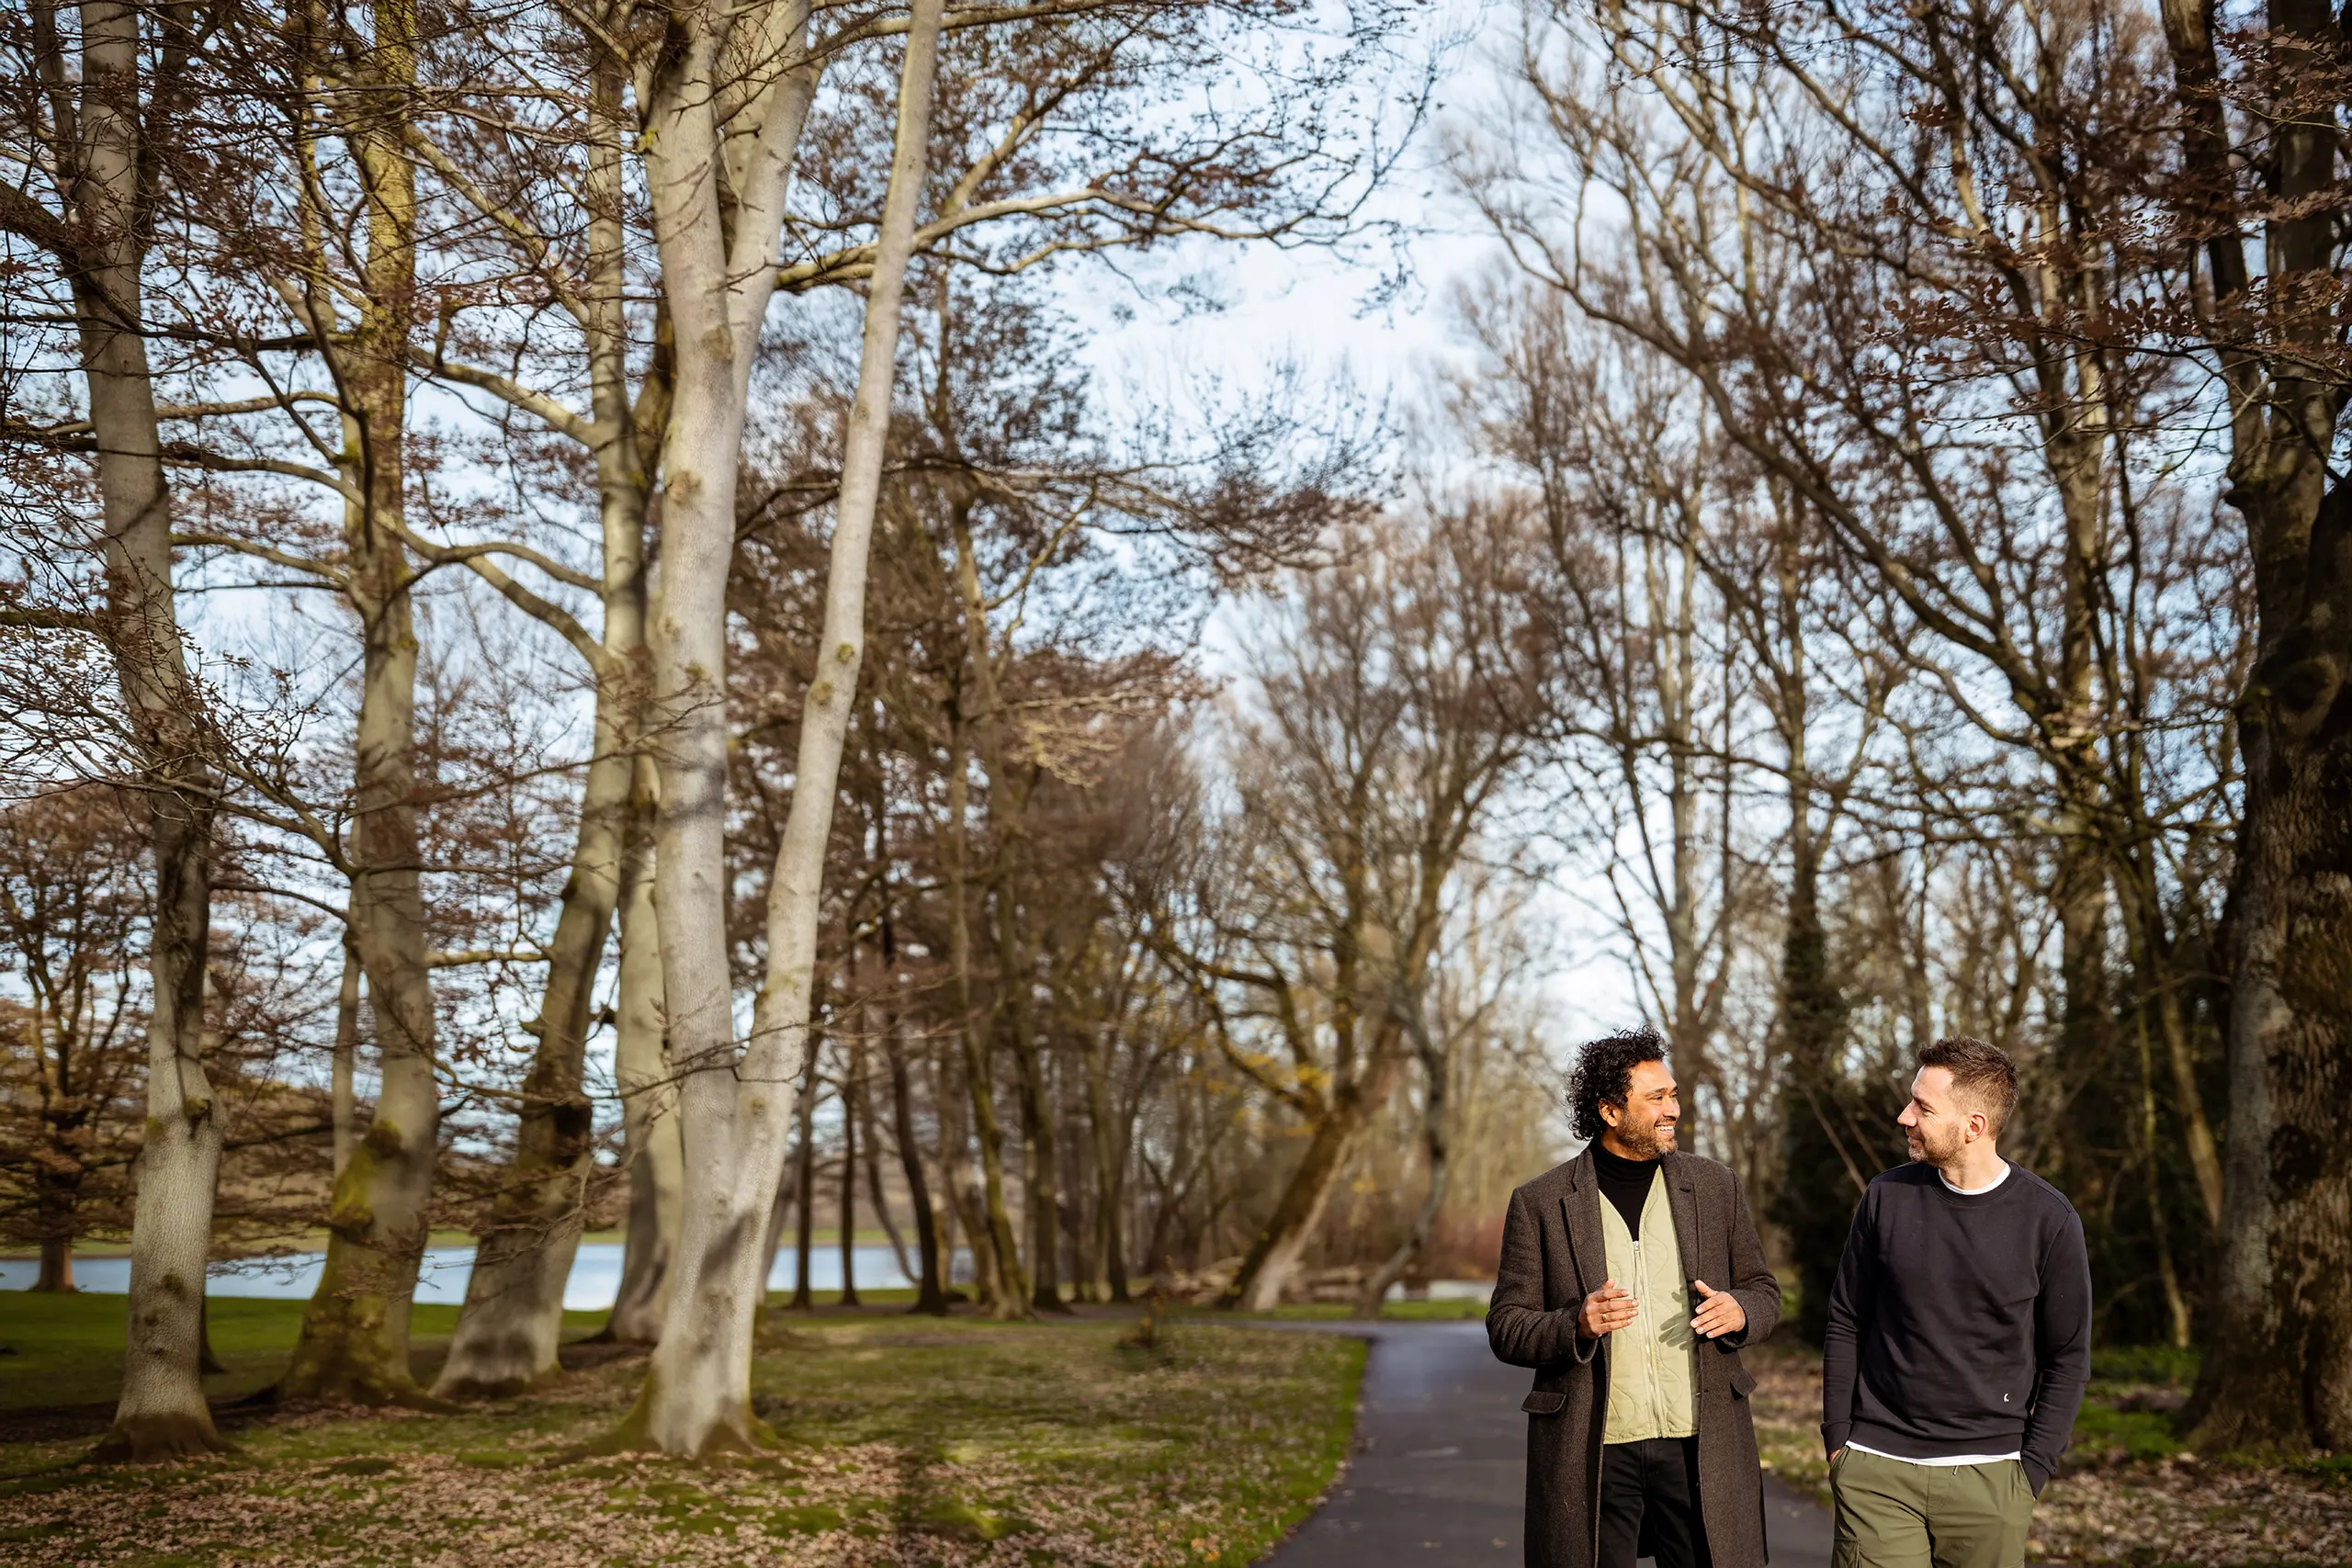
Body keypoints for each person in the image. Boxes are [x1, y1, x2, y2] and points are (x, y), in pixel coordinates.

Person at [1488, 1027, 1781, 1568]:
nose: (1673, 1108)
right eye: (1656, 1098)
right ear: (1609, 1110)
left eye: (1672, 1094)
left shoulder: (1715, 1186)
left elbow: (1764, 1290)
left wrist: (1741, 1310)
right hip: (1591, 1449)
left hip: (1701, 1444)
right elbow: (1507, 1326)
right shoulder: (1541, 1202)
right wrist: (1574, 1323)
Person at [1822, 1036, 2092, 1568]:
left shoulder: (2049, 1220)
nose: (1905, 1117)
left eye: (1923, 1107)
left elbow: (2068, 1357)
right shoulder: (1885, 1196)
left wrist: (2031, 1469)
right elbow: (1847, 1318)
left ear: (1974, 1126)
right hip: (1877, 1470)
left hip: (1991, 1478)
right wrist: (1839, 1438)